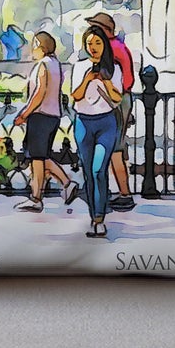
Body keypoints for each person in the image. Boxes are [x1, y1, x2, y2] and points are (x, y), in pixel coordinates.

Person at [69, 23, 125, 239]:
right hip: (84, 122)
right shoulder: (80, 66)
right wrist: (88, 79)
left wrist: (106, 80)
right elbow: (76, 95)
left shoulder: (114, 68)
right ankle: (94, 215)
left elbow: (117, 98)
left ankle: (100, 219)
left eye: (98, 43)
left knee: (98, 169)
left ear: (104, 46)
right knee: (88, 173)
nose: (93, 48)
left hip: (106, 123)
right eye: (90, 43)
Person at [12, 30, 72, 211]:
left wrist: (25, 113)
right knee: (40, 158)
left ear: (39, 46)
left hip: (40, 115)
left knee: (37, 158)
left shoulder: (42, 65)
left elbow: (39, 93)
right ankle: (47, 192)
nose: (32, 50)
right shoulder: (55, 64)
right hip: (53, 115)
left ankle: (49, 191)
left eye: (34, 46)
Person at [85, 10, 138, 211]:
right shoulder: (119, 47)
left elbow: (112, 81)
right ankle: (113, 191)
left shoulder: (112, 50)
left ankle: (123, 193)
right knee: (114, 146)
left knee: (114, 146)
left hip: (115, 101)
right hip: (121, 99)